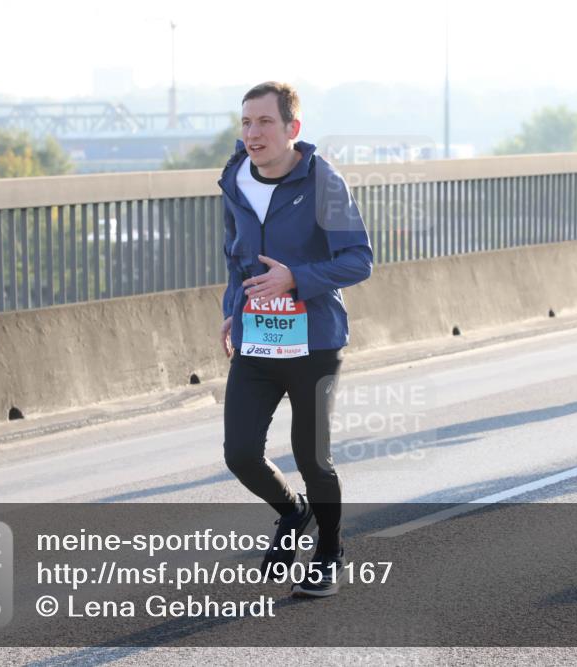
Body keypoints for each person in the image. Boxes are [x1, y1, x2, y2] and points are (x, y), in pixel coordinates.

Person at [218, 81, 373, 597]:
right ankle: (293, 511)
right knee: (240, 453)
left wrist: (294, 278)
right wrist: (230, 311)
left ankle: (329, 550)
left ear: (292, 129)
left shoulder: (323, 182)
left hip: (314, 344)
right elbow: (235, 257)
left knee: (312, 458)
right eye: (246, 122)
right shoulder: (235, 179)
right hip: (258, 341)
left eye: (264, 122)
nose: (253, 133)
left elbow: (358, 260)